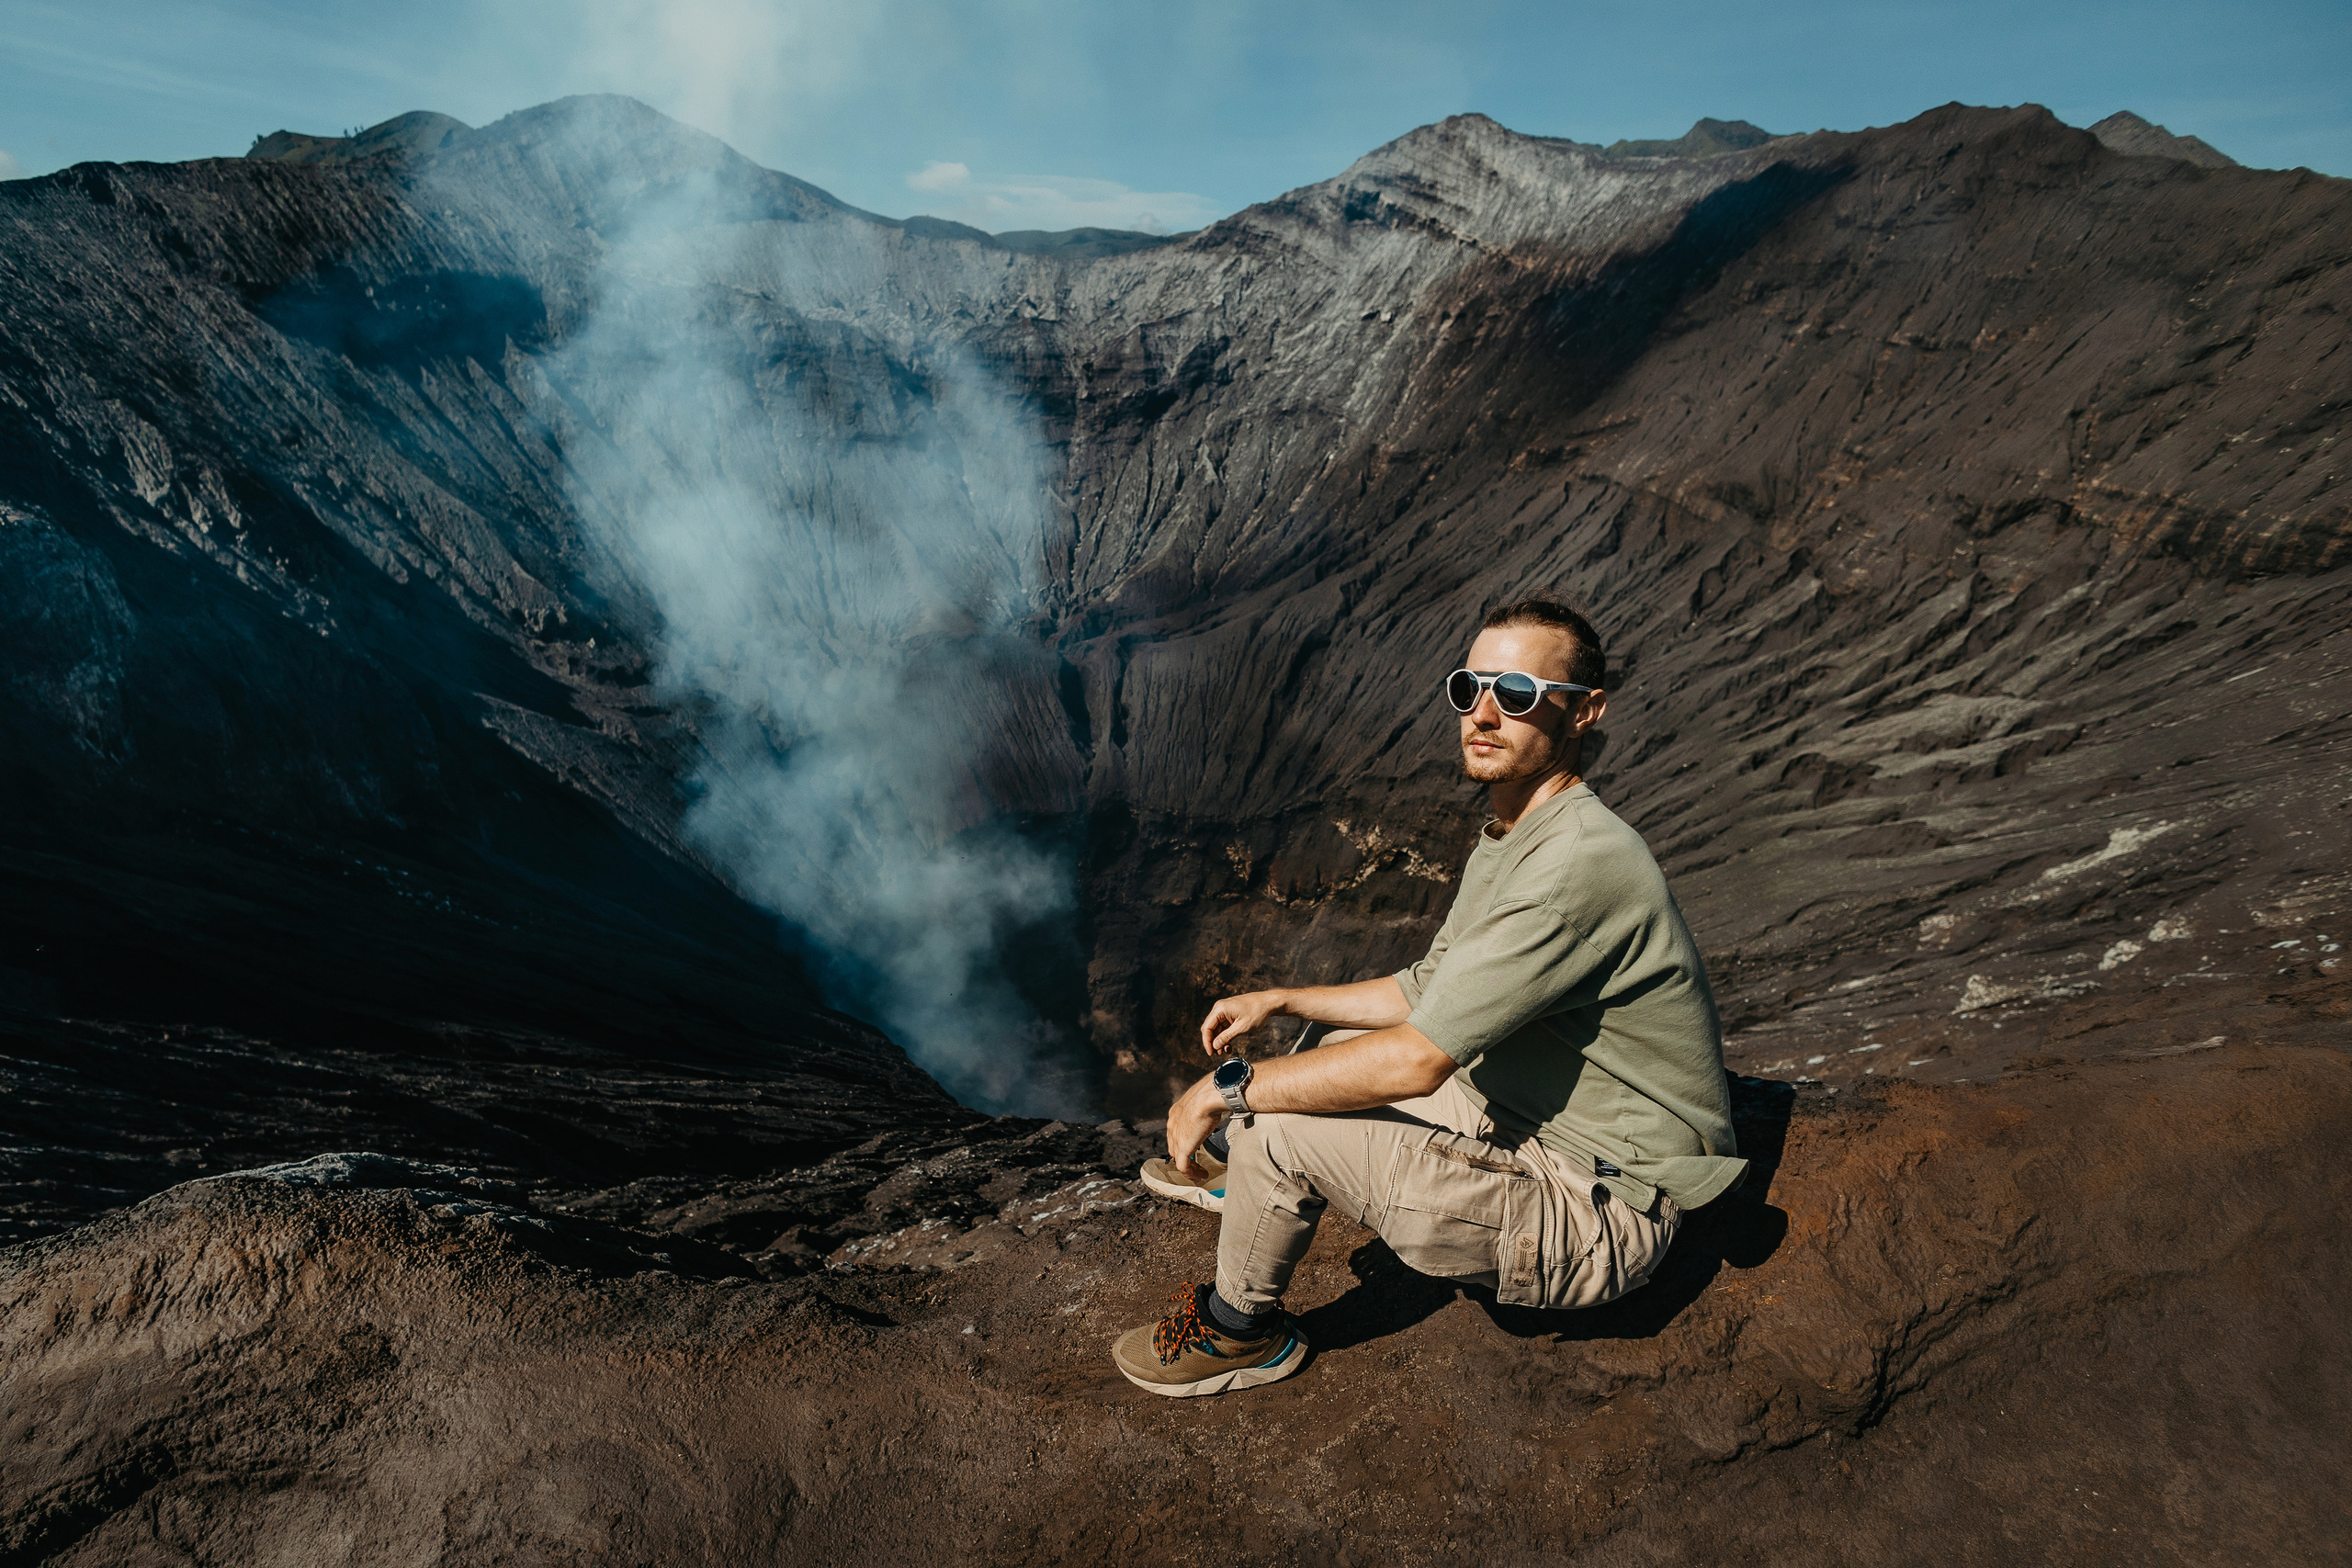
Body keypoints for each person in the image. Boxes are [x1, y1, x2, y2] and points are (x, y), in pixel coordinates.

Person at [1112, 597, 1745, 1397]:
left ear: (1585, 711)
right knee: (1323, 1051)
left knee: (1276, 1123)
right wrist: (1284, 997)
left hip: (1597, 1208)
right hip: (1525, 1118)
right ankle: (1248, 1189)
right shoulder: (1519, 831)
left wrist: (1225, 1087)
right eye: (1468, 687)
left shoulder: (1577, 864)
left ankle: (1243, 1331)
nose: (1483, 712)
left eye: (1515, 692)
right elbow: (1427, 989)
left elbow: (1417, 1061)